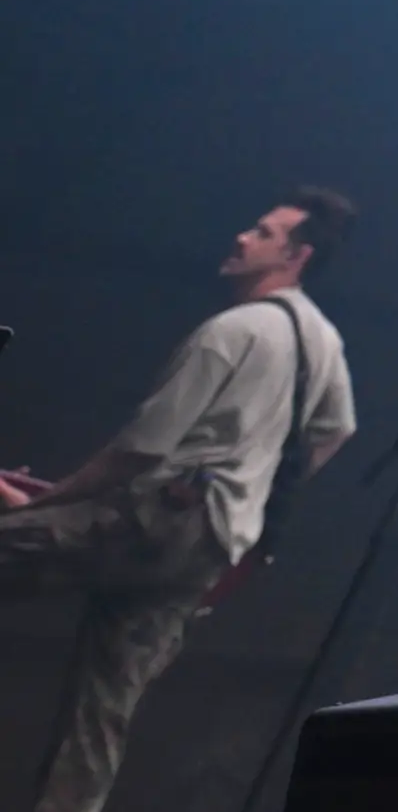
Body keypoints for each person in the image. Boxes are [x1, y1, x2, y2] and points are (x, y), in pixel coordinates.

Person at [0, 192, 360, 812]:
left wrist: (42, 505)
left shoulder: (232, 331)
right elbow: (336, 429)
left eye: (263, 232)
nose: (243, 237)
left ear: (296, 255)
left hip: (160, 523)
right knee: (103, 711)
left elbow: (140, 451)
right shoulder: (321, 339)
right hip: (210, 551)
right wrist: (256, 486)